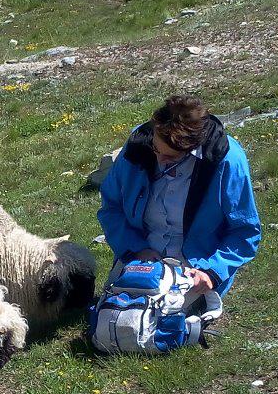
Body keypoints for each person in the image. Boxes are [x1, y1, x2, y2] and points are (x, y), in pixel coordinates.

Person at [96, 95, 261, 308]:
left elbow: (245, 231)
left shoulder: (226, 161)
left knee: (154, 324)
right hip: (140, 257)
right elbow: (112, 208)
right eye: (156, 149)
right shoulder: (139, 146)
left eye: (171, 158)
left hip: (196, 267)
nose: (159, 161)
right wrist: (136, 249)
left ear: (191, 149)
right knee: (116, 318)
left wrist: (211, 271)